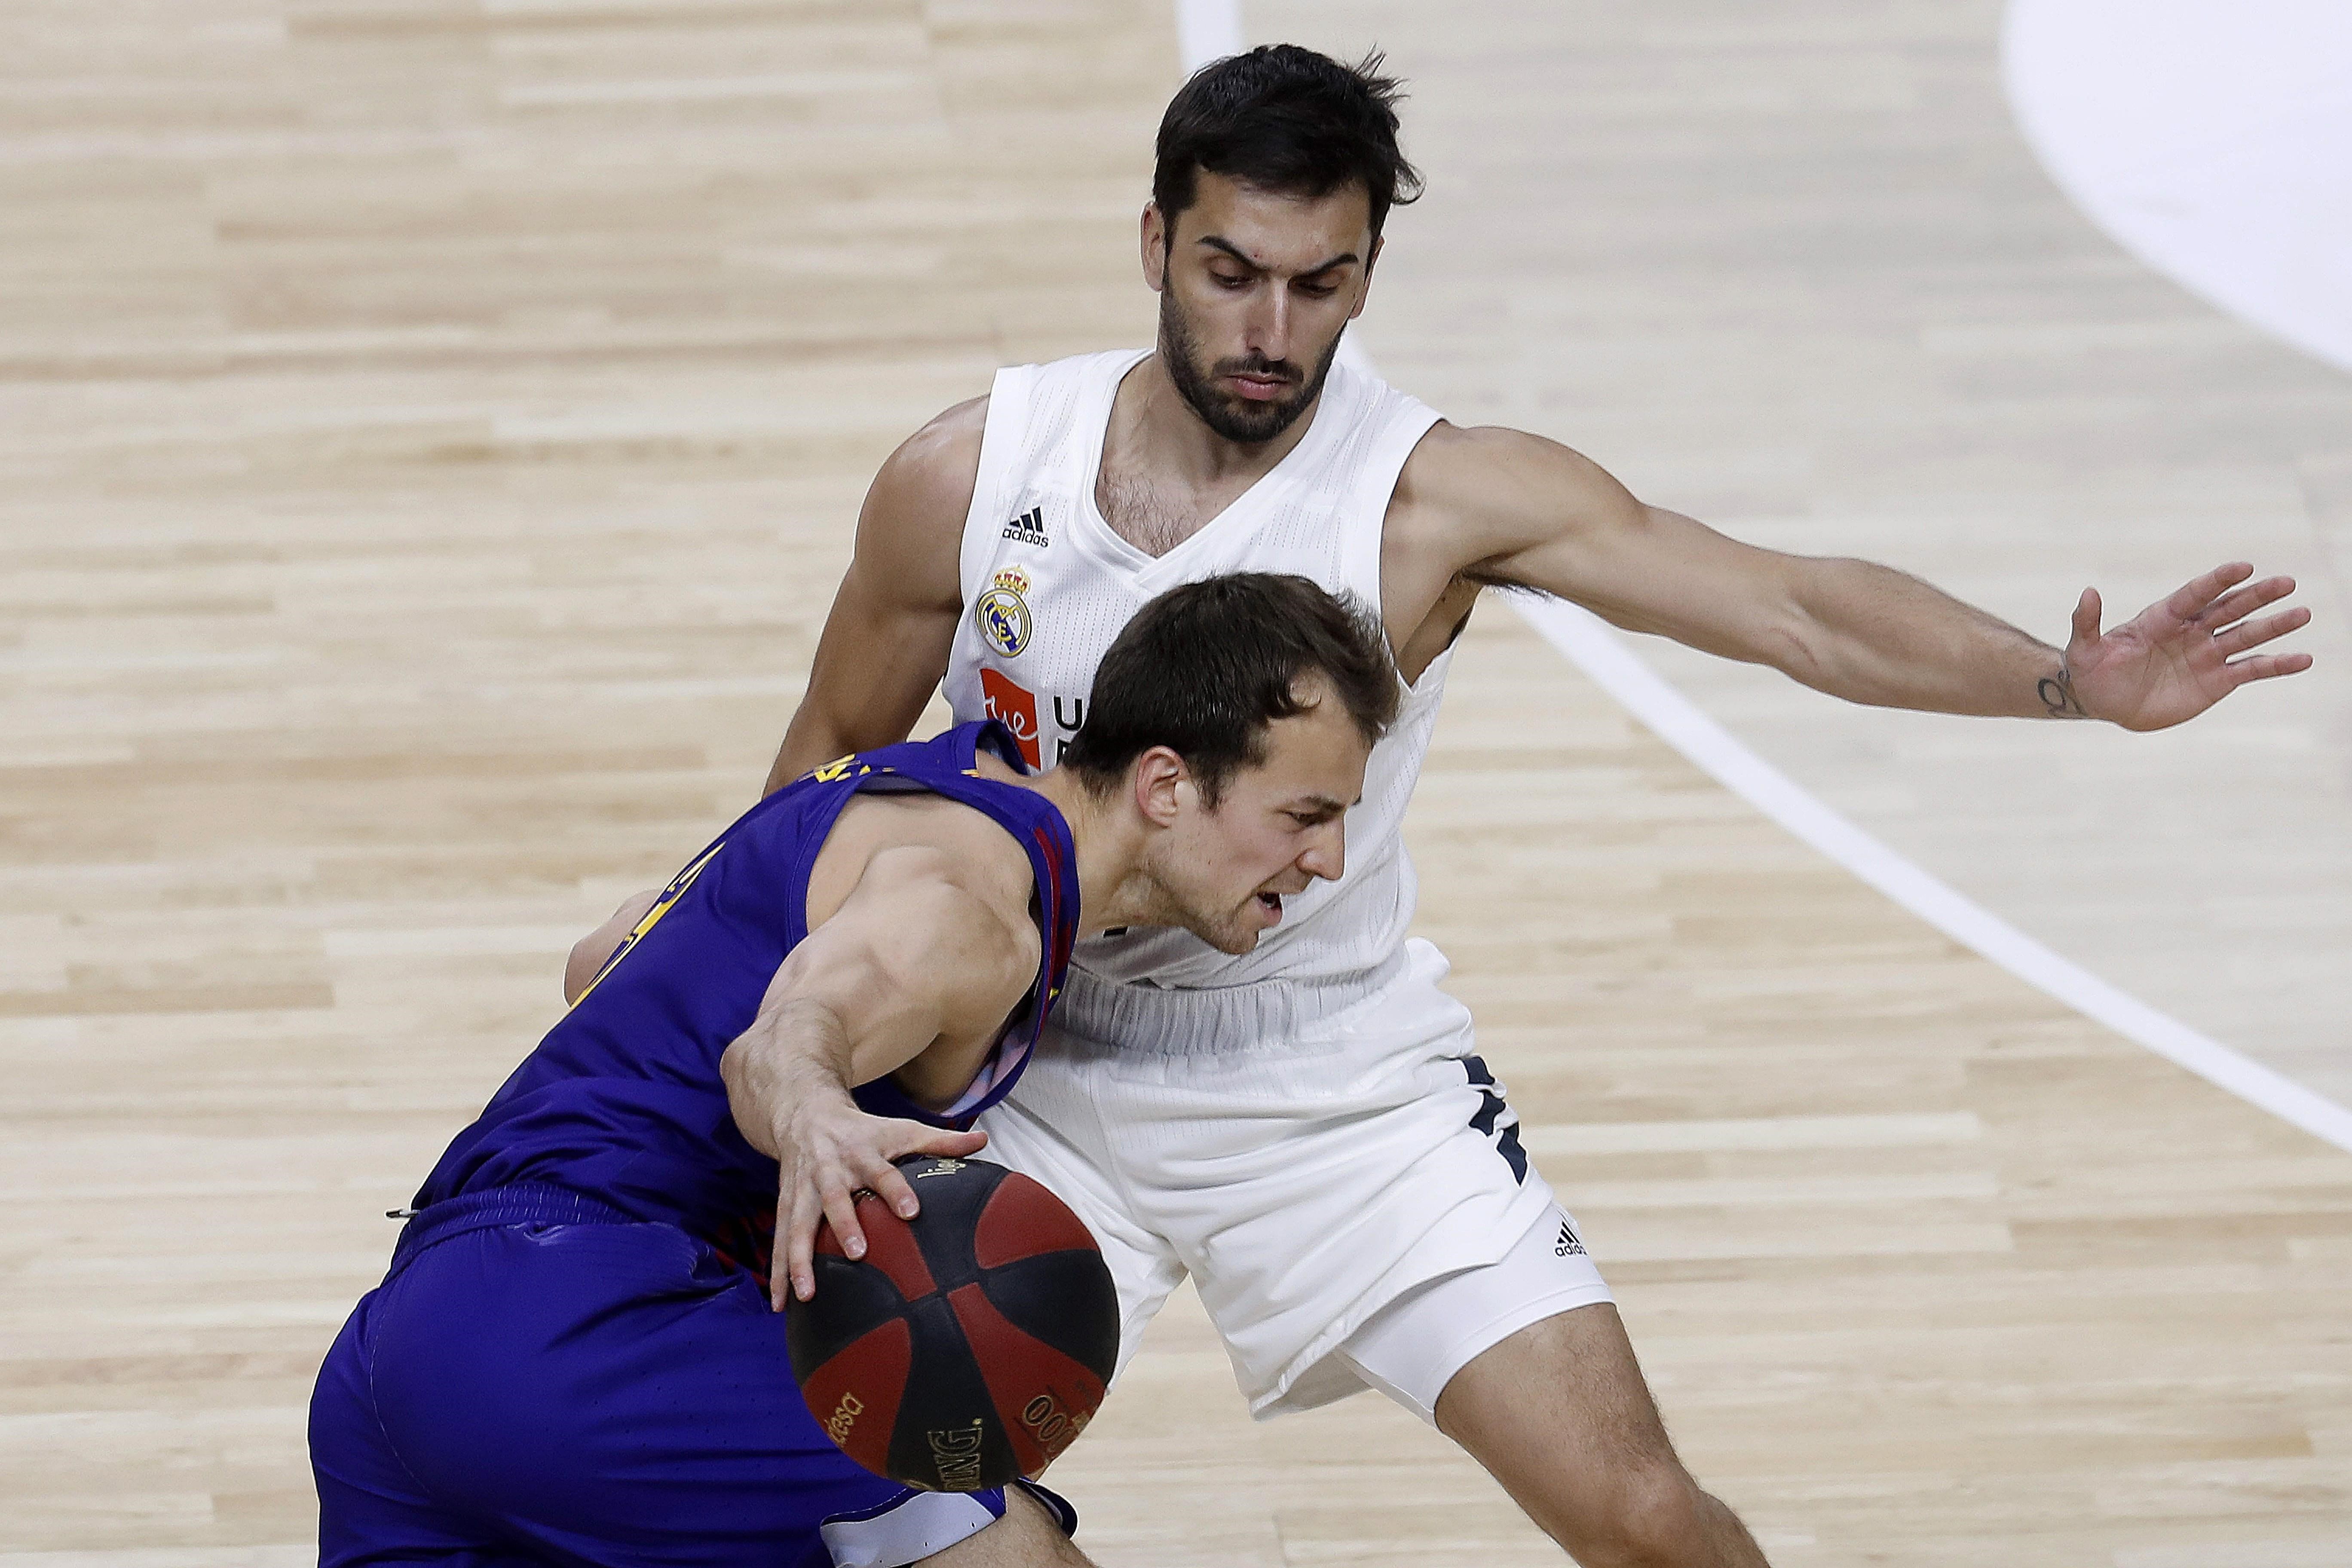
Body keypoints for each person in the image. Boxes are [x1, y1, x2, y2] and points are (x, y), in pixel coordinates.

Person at [750, 45, 2314, 1568]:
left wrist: (2059, 678)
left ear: (1368, 273)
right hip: (1024, 1057)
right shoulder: (972, 476)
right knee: (881, 1498)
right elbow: (819, 769)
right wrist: (770, 1046)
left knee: (1641, 1520)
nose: (1271, 328)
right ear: (1155, 239)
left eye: (1321, 283)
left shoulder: (1438, 498)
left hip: (1329, 1078)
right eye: (1231, 272)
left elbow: (1789, 608)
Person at [308, 573, 1401, 1568]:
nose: (1329, 860)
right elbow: (779, 1043)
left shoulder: (908, 790)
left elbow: (600, 959)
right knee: (1005, 1545)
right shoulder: (976, 911)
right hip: (584, 1332)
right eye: (1305, 816)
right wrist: (815, 1111)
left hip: (409, 1347)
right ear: (1166, 785)